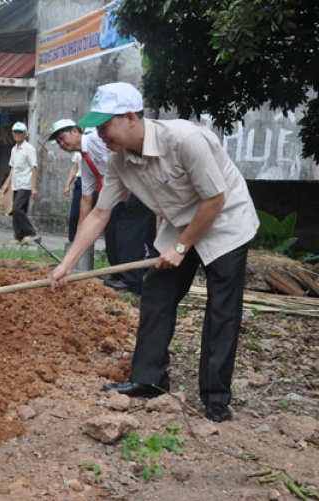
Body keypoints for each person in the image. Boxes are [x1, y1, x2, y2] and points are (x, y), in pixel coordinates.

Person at [49, 82, 259, 423]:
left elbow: (215, 199)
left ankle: (216, 397)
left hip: (224, 220)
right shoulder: (119, 161)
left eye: (105, 126)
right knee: (157, 294)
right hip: (181, 221)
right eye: (97, 128)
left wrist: (181, 247)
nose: (101, 134)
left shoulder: (185, 140)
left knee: (222, 308)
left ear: (130, 117)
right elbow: (101, 213)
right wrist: (67, 265)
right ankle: (149, 380)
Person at [49, 118, 157, 292]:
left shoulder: (95, 140)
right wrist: (80, 235)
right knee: (111, 228)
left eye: (63, 137)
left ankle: (132, 281)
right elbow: (86, 199)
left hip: (135, 189)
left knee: (127, 231)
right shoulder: (85, 163)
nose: (62, 143)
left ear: (76, 131)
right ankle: (117, 273)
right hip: (115, 197)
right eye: (59, 142)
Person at [1, 122, 38, 245]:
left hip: (26, 184)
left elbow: (34, 168)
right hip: (16, 184)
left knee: (17, 208)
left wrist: (33, 187)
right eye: (15, 132)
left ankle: (30, 231)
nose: (17, 134)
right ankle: (19, 236)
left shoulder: (29, 149)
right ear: (12, 134)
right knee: (17, 210)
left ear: (25, 134)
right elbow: (13, 168)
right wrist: (7, 184)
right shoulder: (14, 150)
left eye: (20, 132)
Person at [63, 149, 83, 242]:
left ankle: (84, 242)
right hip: (80, 182)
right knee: (74, 214)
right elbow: (74, 167)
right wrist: (68, 185)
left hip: (95, 182)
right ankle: (72, 241)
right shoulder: (79, 151)